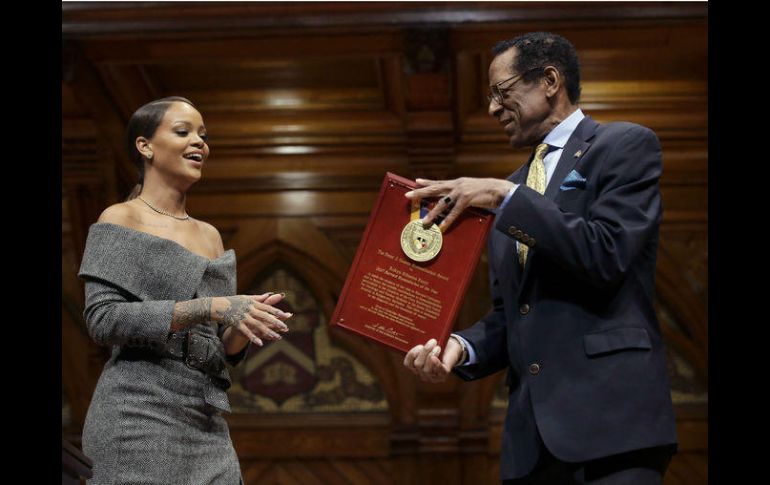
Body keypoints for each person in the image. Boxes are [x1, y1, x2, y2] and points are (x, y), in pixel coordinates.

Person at [403, 32, 677, 484]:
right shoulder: (509, 191)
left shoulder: (623, 145)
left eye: (501, 92)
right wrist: (461, 347)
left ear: (550, 80)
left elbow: (606, 253)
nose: (492, 109)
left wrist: (505, 197)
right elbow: (513, 313)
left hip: (614, 431)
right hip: (532, 445)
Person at [78, 96, 293, 484]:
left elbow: (220, 346)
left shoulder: (210, 236)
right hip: (137, 414)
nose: (199, 143)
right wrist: (211, 307)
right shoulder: (120, 218)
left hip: (205, 416)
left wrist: (246, 321)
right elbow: (103, 320)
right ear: (145, 146)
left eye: (203, 136)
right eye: (183, 132)